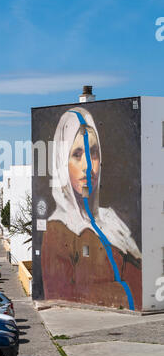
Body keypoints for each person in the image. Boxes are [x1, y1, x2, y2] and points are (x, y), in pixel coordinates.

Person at [41, 106, 142, 310]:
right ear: (62, 162)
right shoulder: (57, 231)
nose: (88, 164)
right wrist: (123, 291)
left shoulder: (111, 221)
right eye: (77, 154)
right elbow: (62, 296)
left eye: (93, 153)